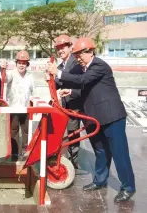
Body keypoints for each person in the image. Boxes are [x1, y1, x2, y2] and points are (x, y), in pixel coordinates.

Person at [47, 37, 135, 203]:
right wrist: (71, 93)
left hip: (111, 117)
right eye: (77, 54)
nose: (78, 57)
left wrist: (57, 72)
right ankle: (100, 181)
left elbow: (82, 81)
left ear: (90, 51)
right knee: (100, 151)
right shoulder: (85, 68)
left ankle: (128, 187)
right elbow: (86, 88)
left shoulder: (98, 65)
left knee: (119, 153)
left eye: (81, 54)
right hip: (94, 117)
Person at [53, 34, 84, 169]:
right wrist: (50, 78)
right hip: (65, 104)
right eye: (58, 48)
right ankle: (69, 156)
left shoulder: (76, 62)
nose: (60, 51)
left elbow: (78, 82)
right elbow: (59, 83)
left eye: (63, 47)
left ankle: (73, 161)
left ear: (70, 47)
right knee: (68, 132)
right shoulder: (61, 65)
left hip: (75, 104)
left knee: (73, 133)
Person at [2, 50, 35, 160]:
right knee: (14, 131)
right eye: (20, 63)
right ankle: (14, 153)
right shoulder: (11, 74)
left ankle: (25, 152)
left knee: (26, 132)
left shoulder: (30, 76)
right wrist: (3, 70)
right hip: (13, 108)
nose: (21, 65)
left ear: (27, 64)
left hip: (25, 109)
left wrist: (33, 104)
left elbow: (33, 91)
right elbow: (5, 79)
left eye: (24, 63)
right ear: (16, 63)